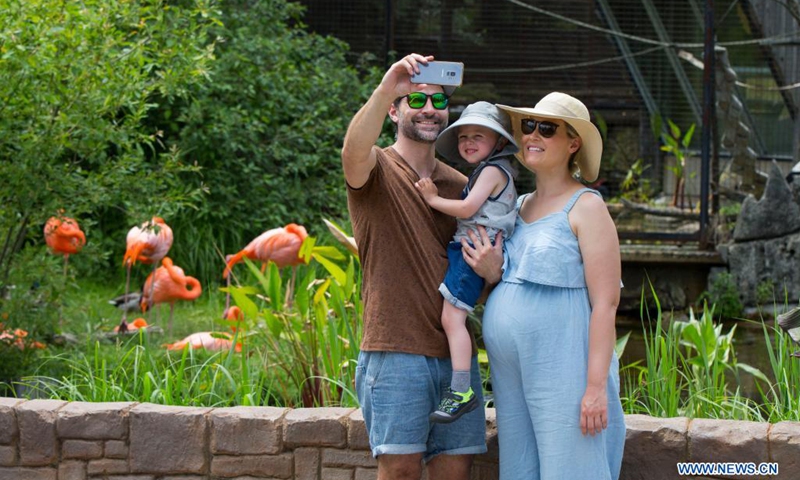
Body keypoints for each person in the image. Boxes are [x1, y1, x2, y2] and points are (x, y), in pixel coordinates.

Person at [341, 53, 495, 480]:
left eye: (439, 100)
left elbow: (477, 274)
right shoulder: (375, 169)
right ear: (394, 110)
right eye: (416, 99)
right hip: (395, 353)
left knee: (455, 472)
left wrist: (494, 269)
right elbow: (352, 150)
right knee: (400, 471)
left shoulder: (462, 187)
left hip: (456, 359)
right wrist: (388, 84)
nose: (429, 108)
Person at [466, 92, 626, 479]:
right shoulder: (516, 205)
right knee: (520, 466)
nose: (533, 135)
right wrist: (490, 272)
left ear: (574, 143)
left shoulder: (587, 206)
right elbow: (505, 283)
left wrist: (593, 389)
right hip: (513, 368)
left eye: (547, 128)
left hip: (564, 363)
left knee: (571, 465)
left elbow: (605, 304)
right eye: (529, 127)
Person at [414, 101, 518, 423]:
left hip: (472, 252)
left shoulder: (491, 170)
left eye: (479, 136)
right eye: (463, 137)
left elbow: (468, 208)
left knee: (452, 320)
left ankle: (461, 390)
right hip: (471, 251)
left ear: (499, 142)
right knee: (452, 318)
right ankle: (461, 388)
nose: (469, 142)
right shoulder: (491, 170)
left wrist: (431, 199)